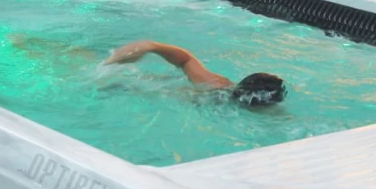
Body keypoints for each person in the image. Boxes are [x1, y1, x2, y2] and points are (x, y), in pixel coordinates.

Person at [102, 40, 287, 107]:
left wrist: (152, 46)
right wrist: (151, 46)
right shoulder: (270, 116)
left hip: (154, 94)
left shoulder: (218, 85)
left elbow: (186, 60)